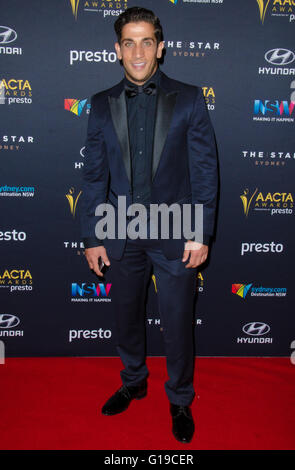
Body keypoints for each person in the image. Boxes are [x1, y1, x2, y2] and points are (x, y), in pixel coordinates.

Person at [81, 6, 218, 444]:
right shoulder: (101, 104)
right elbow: (93, 175)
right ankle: (133, 380)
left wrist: (200, 232)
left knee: (177, 321)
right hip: (119, 230)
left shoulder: (190, 98)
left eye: (146, 41)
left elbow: (204, 170)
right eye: (128, 42)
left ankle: (179, 398)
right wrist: (92, 236)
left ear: (160, 46)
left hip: (175, 231)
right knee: (126, 317)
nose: (137, 51)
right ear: (117, 49)